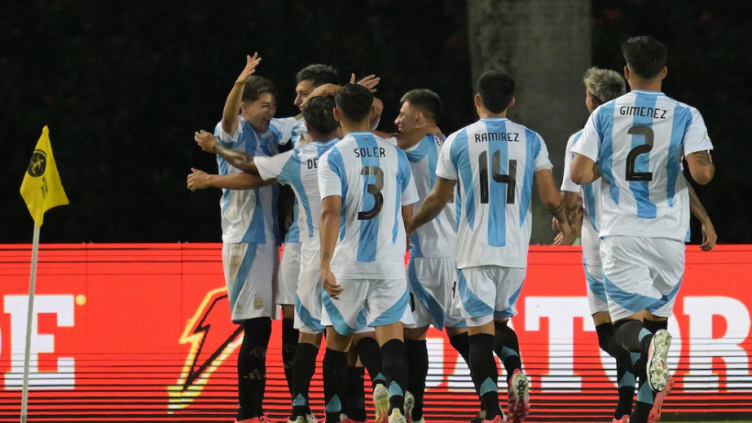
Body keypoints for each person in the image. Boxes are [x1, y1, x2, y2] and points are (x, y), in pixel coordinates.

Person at [406, 70, 574, 423]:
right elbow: (548, 197)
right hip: (514, 253)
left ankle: (491, 410)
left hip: (473, 251)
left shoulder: (458, 140)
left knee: (479, 333)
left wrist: (411, 224)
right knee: (501, 321)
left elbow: (438, 199)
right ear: (511, 101)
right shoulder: (532, 140)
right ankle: (515, 369)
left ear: (477, 99)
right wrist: (563, 218)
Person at [569, 36, 715, 423]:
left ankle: (651, 345)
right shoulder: (687, 114)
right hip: (670, 236)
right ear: (664, 72)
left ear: (627, 72)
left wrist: (608, 163)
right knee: (657, 323)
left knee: (627, 332)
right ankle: (641, 414)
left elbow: (579, 174)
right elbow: (701, 173)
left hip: (622, 234)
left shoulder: (603, 115)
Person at [194, 95, 340, 423]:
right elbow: (230, 124)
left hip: (292, 245)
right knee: (276, 329)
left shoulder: (292, 146)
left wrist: (213, 165)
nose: (295, 100)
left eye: (303, 94)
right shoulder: (346, 147)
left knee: (302, 331)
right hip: (259, 242)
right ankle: (256, 412)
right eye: (266, 103)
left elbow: (257, 171)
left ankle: (298, 408)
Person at [186, 54, 296, 423]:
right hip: (245, 240)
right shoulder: (232, 131)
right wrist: (238, 83)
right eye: (263, 105)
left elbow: (305, 118)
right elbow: (230, 118)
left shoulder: (272, 131)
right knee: (258, 327)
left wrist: (338, 92)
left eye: (273, 105)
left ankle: (256, 411)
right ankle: (248, 413)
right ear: (246, 107)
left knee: (264, 325)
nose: (270, 111)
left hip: (266, 239)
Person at [317, 84, 419, 423]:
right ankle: (394, 407)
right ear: (372, 113)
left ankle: (334, 417)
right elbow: (408, 214)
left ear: (336, 114)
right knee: (391, 340)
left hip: (346, 265)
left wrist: (325, 264)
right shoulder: (396, 154)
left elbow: (331, 212)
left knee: (337, 345)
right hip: (388, 264)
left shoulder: (333, 156)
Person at [391, 89, 474, 423]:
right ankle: (495, 394)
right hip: (458, 252)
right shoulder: (453, 144)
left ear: (420, 118)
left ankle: (415, 412)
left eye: (402, 112)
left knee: (413, 335)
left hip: (428, 256)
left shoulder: (415, 146)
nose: (397, 119)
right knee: (451, 333)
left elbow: (372, 140)